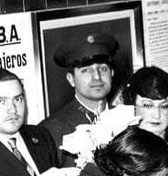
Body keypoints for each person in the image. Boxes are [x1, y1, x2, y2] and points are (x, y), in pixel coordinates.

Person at [40, 32, 118, 167]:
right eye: (86, 70)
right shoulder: (52, 131)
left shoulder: (126, 119)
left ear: (112, 74)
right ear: (71, 79)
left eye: (103, 69)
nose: (97, 77)